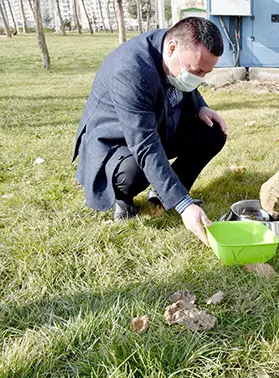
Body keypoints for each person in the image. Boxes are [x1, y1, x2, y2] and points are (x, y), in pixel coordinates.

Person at [72, 17, 227, 246]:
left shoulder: (172, 44)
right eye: (196, 71)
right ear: (172, 48)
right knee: (136, 170)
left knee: (212, 133)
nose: (199, 78)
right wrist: (185, 207)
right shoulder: (130, 70)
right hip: (116, 142)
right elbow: (145, 146)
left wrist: (201, 107)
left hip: (155, 126)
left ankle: (165, 194)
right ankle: (124, 198)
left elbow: (186, 83)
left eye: (206, 73)